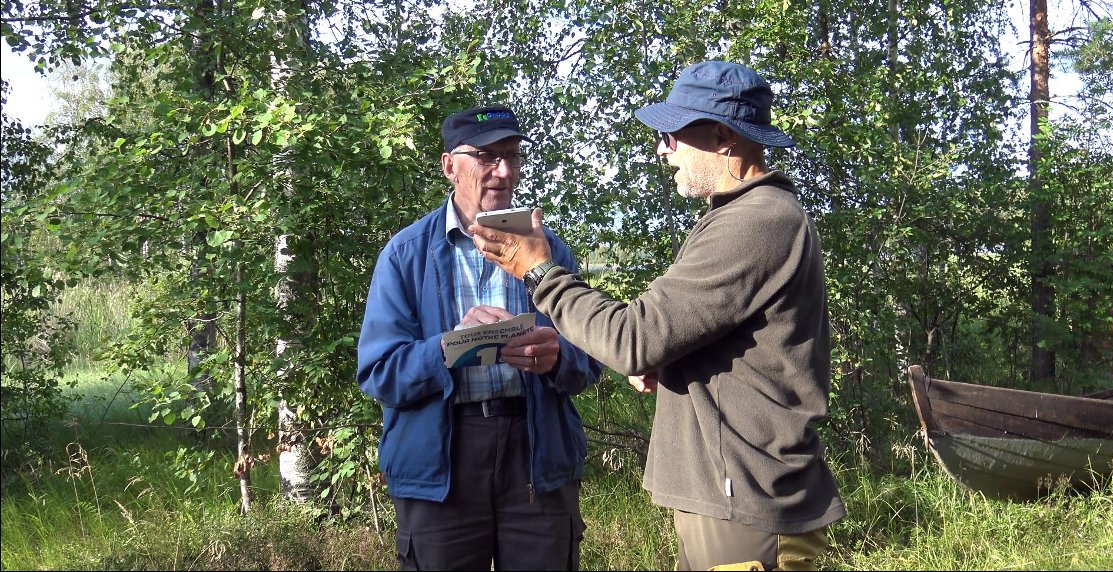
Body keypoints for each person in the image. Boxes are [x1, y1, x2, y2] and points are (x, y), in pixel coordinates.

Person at [472, 61, 846, 571]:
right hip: (732, 495)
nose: (661, 149)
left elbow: (632, 339)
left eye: (672, 134)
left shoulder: (756, 222)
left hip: (749, 502)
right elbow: (709, 340)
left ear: (721, 136)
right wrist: (673, 366)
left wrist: (540, 272)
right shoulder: (741, 217)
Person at [356, 105, 602, 571]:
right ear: (450, 166)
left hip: (535, 455)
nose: (504, 171)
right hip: (441, 461)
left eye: (512, 156)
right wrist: (450, 346)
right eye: (487, 157)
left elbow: (590, 356)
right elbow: (379, 374)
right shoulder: (406, 255)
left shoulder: (548, 250)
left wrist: (558, 358)